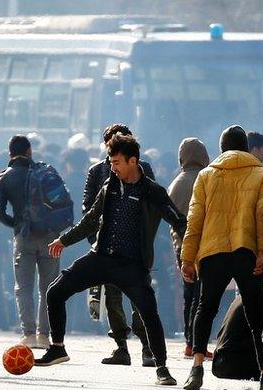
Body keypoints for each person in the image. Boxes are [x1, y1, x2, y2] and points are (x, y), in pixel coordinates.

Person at [36, 133, 184, 386]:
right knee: (55, 292)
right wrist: (63, 241)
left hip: (132, 266)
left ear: (132, 161)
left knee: (149, 312)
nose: (112, 168)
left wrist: (190, 252)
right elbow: (91, 220)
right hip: (100, 257)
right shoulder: (110, 187)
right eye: (110, 162)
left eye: (116, 163)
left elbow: (179, 221)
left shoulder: (153, 191)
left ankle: (162, 368)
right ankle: (58, 347)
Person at [180, 125, 263, 390]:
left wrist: (187, 258)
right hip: (245, 250)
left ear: (221, 148)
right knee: (255, 312)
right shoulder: (261, 174)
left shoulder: (206, 175)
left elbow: (194, 220)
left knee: (205, 308)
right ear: (246, 148)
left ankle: (197, 368)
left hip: (213, 251)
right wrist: (262, 252)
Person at [82, 124, 156, 366]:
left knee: (138, 297)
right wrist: (96, 242)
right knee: (112, 298)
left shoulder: (142, 169)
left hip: (134, 247)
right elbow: (88, 210)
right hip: (108, 246)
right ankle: (121, 347)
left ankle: (147, 347)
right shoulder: (97, 172)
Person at [0, 135, 60, 350]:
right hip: (50, 237)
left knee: (23, 287)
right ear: (30, 151)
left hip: (23, 238)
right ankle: (44, 335)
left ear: (10, 153)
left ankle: (28, 334)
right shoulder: (46, 172)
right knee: (49, 287)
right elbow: (61, 203)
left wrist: (18, 225)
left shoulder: (5, 178)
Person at [166, 138, 211, 358]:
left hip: (181, 247)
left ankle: (189, 342)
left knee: (189, 295)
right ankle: (196, 344)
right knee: (201, 297)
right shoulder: (206, 179)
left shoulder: (176, 183)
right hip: (203, 246)